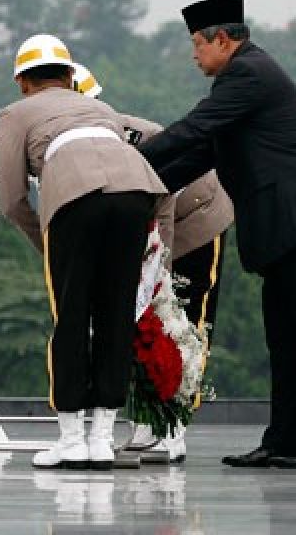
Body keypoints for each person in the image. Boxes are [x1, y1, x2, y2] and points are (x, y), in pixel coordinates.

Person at [137, 0, 296, 470]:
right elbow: (201, 155)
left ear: (222, 40)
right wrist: (138, 184)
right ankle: (286, 439)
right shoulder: (238, 87)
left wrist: (130, 158)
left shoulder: (248, 73)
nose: (194, 54)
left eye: (197, 44)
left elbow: (196, 129)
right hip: (283, 225)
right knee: (285, 336)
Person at [0, 33, 168, 470]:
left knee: (72, 315)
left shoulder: (16, 113)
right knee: (115, 313)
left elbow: (12, 200)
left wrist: (46, 244)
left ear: (22, 82)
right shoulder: (101, 109)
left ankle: (71, 438)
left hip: (75, 199)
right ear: (71, 77)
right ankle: (103, 438)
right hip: (134, 193)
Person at [72, 66, 235, 463]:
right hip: (140, 234)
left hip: (195, 219)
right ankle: (146, 418)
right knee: (136, 324)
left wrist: (155, 270)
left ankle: (173, 425)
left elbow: (165, 201)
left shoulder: (132, 137)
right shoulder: (65, 144)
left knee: (183, 321)